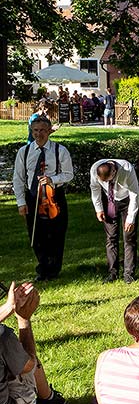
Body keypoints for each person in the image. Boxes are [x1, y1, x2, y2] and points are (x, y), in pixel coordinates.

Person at [0, 281, 67, 404]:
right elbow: (29, 365)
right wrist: (23, 320)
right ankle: (49, 399)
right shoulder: (3, 337)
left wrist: (8, 308)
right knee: (22, 359)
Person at [12, 116, 74, 281]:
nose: (39, 134)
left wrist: (52, 179)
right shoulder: (23, 152)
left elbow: (69, 174)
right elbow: (18, 179)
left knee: (56, 234)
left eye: (42, 131)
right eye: (35, 131)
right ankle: (42, 268)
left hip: (54, 197)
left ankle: (54, 269)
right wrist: (21, 203)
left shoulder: (60, 150)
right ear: (31, 132)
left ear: (49, 131)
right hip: (33, 197)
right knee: (36, 235)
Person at [90, 159, 139, 284]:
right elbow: (95, 189)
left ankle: (129, 274)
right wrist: (99, 209)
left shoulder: (127, 169)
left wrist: (130, 219)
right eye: (104, 181)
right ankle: (112, 273)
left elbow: (135, 194)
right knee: (111, 237)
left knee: (129, 237)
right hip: (109, 200)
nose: (106, 183)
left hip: (127, 200)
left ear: (114, 172)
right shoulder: (95, 169)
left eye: (108, 180)